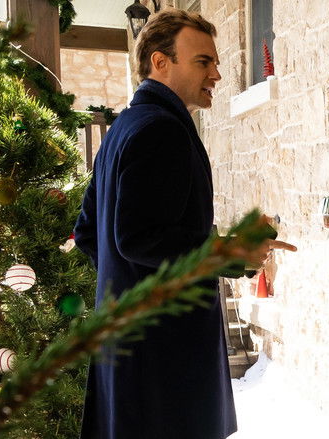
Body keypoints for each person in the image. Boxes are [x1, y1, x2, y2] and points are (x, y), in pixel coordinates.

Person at [73, 8, 295, 439]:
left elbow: (90, 234)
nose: (216, 74)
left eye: (215, 62)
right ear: (160, 62)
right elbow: (139, 239)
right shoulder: (161, 130)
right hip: (163, 359)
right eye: (203, 62)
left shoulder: (123, 128)